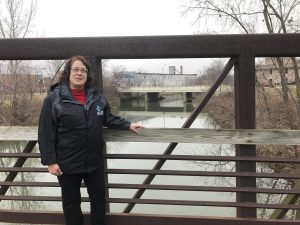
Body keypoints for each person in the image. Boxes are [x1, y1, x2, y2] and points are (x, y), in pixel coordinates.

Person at [38, 55, 143, 225]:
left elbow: (107, 118)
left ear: (87, 75)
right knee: (72, 204)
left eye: (83, 70)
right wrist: (50, 161)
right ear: (68, 72)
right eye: (76, 69)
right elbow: (45, 132)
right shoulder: (54, 99)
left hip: (93, 161)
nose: (79, 73)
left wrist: (128, 124)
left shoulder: (97, 97)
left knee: (99, 201)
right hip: (67, 163)